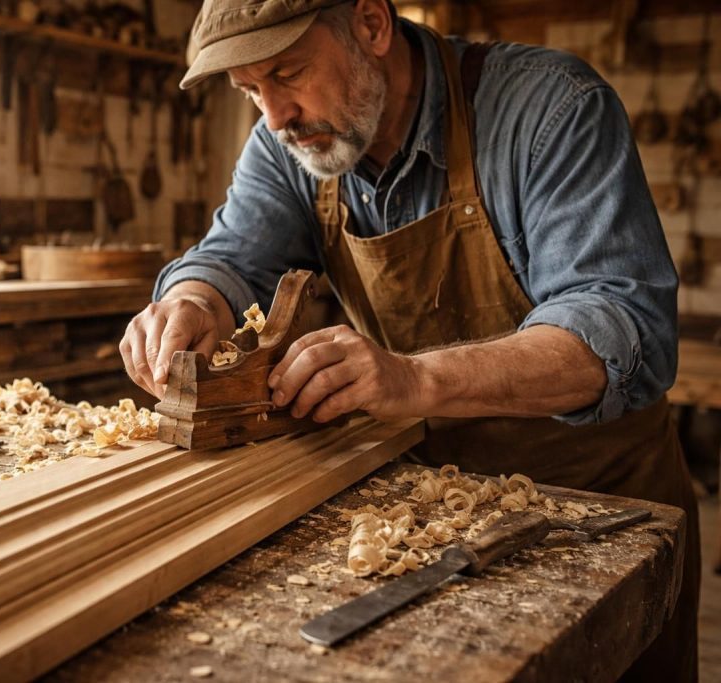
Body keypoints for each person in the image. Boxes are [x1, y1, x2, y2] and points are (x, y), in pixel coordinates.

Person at [118, 0, 700, 678]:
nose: (275, 117)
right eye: (250, 90)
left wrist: (413, 380)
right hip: (426, 518)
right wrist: (190, 301)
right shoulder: (289, 145)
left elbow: (621, 327)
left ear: (370, 24)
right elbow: (234, 258)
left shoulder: (552, 109)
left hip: (592, 510)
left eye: (288, 72)